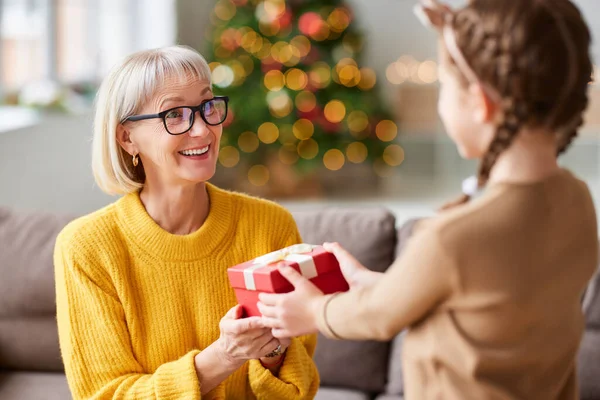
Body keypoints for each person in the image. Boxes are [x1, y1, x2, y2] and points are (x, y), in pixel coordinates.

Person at [257, 1, 598, 399]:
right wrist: (381, 284)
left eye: (444, 86)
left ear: (480, 103)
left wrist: (314, 311)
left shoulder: (453, 239)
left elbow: (380, 316)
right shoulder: (576, 201)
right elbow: (487, 303)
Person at [54, 45, 319, 400]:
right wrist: (224, 355)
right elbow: (106, 394)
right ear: (126, 137)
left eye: (207, 106)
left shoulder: (270, 225)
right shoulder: (87, 247)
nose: (203, 130)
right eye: (175, 114)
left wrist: (272, 351)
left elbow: (298, 390)